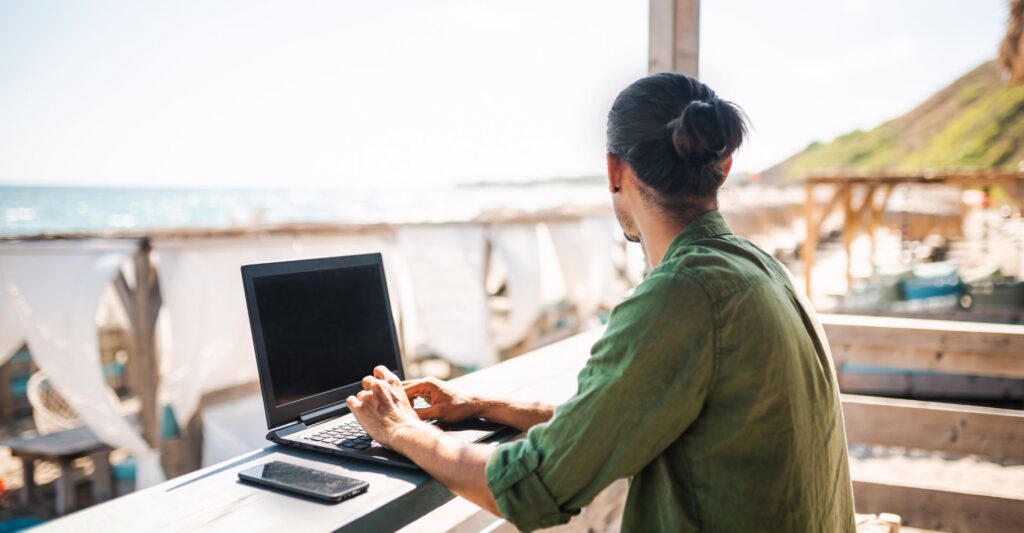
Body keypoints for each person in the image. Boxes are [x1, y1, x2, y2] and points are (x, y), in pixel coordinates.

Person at [347, 73, 856, 532]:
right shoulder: (762, 271)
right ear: (723, 167)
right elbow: (607, 420)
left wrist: (400, 428)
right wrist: (480, 406)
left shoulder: (682, 295)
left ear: (615, 170)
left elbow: (532, 488)